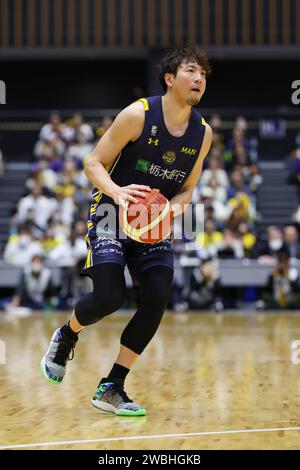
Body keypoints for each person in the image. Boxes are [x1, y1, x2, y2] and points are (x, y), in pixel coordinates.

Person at [40, 45, 212, 416]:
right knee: (108, 296)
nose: (199, 79)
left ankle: (112, 386)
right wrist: (118, 193)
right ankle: (67, 335)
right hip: (109, 211)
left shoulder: (203, 133)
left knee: (157, 296)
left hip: (153, 222)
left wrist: (170, 210)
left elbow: (187, 190)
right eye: (191, 71)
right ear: (170, 78)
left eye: (203, 74)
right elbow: (93, 162)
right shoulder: (138, 115)